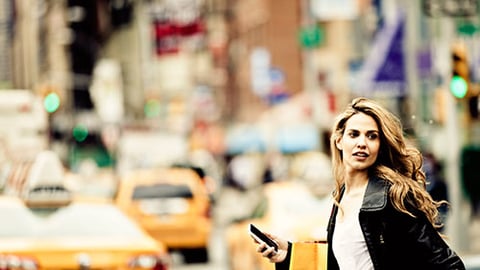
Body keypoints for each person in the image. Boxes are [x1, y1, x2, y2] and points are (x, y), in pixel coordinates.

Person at [252, 97, 465, 269]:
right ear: (339, 140)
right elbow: (344, 260)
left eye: (372, 136)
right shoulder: (342, 196)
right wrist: (288, 254)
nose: (362, 143)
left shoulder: (391, 196)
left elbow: (447, 264)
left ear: (380, 146)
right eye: (354, 134)